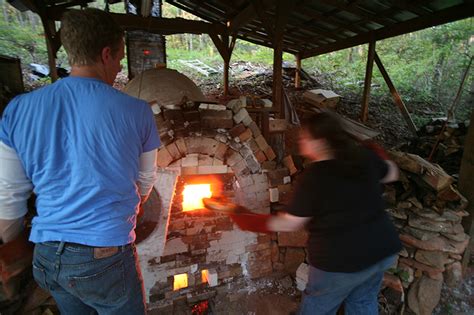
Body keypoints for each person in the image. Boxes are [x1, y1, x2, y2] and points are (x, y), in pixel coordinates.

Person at [0, 8, 160, 314]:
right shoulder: (138, 112)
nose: (120, 64)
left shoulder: (18, 109)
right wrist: (131, 207)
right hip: (105, 257)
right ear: (105, 54)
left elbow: (7, 198)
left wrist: (14, 245)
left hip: (47, 258)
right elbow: (145, 182)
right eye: (119, 57)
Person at [229, 112, 402, 315]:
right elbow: (392, 173)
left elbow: (290, 224)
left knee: (318, 309)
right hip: (381, 250)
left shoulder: (315, 177)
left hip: (340, 261)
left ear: (320, 141)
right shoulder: (362, 157)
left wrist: (245, 219)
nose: (300, 140)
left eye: (305, 137)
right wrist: (376, 154)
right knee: (363, 303)